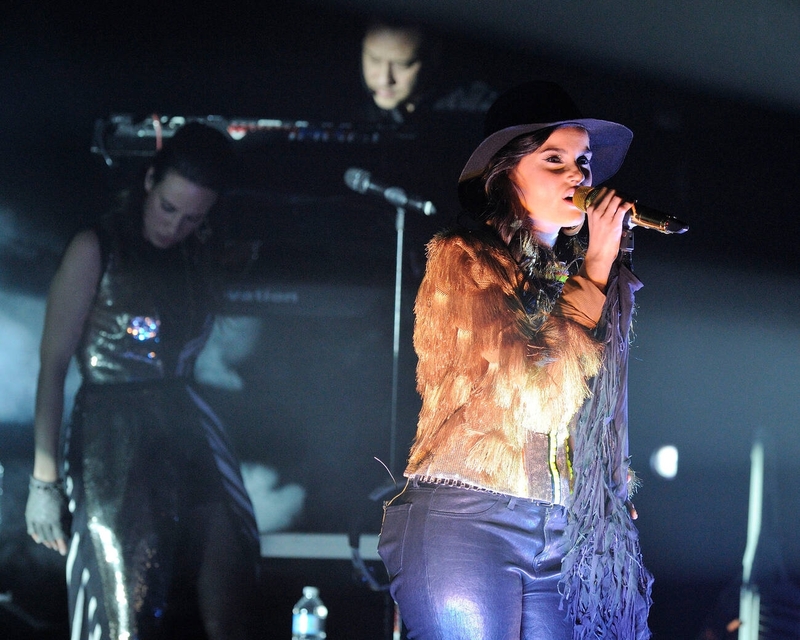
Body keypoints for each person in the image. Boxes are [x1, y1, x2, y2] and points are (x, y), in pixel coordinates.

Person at [377, 81, 653, 639]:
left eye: (583, 161)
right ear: (506, 174)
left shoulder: (594, 279)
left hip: (566, 527)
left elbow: (607, 403)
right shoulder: (465, 261)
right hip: (469, 519)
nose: (579, 176)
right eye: (554, 159)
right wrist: (596, 268)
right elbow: (535, 394)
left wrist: (611, 491)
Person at [24, 122, 263, 640]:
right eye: (169, 208)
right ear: (150, 180)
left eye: (192, 217)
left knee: (229, 594)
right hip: (113, 434)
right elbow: (53, 362)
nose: (175, 225)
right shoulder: (96, 249)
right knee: (124, 610)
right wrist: (44, 481)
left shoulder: (195, 258)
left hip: (186, 425)